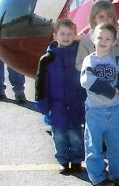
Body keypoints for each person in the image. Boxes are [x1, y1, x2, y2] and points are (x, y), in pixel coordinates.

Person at [80, 23, 119, 186]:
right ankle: (97, 177)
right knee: (93, 146)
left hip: (115, 110)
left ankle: (117, 173)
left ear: (114, 42)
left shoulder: (117, 61)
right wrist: (110, 91)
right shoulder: (89, 60)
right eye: (100, 37)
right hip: (95, 111)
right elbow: (86, 80)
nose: (103, 41)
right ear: (92, 39)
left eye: (108, 38)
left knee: (117, 145)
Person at [35, 19, 87, 174]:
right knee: (59, 136)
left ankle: (77, 160)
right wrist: (43, 105)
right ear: (55, 36)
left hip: (76, 104)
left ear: (75, 35)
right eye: (62, 34)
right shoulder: (47, 59)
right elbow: (41, 85)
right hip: (56, 107)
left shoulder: (80, 55)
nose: (66, 37)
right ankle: (63, 160)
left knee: (76, 135)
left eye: (70, 34)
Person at [74, 0, 119, 72]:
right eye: (101, 17)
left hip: (114, 81)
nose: (106, 20)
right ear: (94, 19)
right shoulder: (86, 40)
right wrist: (95, 70)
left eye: (109, 16)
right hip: (93, 81)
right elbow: (79, 64)